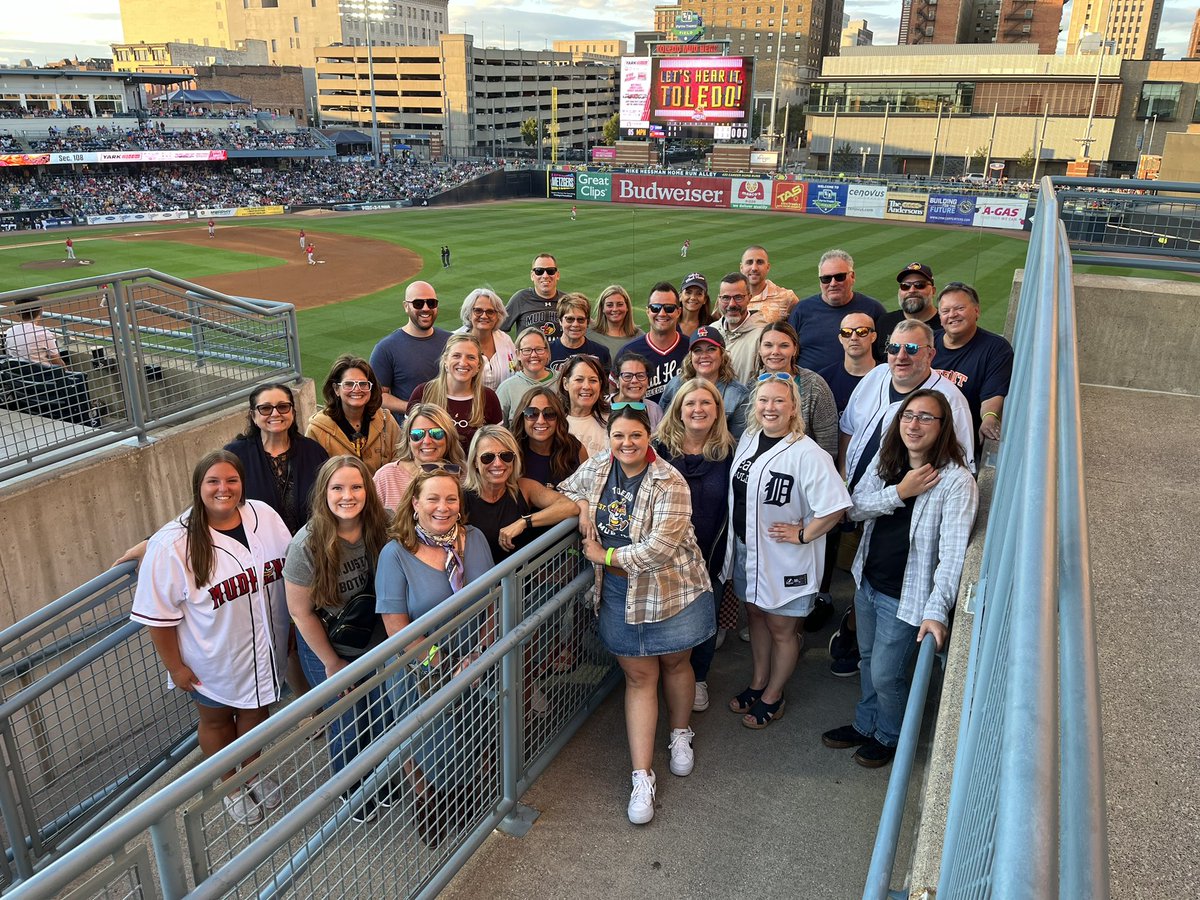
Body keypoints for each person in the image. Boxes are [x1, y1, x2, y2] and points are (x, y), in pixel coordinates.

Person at [559, 404, 714, 825]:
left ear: (649, 437)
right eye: (618, 436)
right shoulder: (599, 466)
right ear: (609, 438)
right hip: (618, 592)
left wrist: (605, 555)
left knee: (676, 663)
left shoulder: (670, 480)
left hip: (671, 590)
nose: (626, 443)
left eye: (635, 435)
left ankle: (680, 734)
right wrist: (583, 507)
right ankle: (642, 776)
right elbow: (567, 489)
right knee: (639, 677)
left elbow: (658, 550)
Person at [130, 450, 292, 825]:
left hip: (267, 645)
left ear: (242, 484)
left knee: (257, 712)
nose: (224, 489)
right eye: (213, 481)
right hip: (211, 658)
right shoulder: (172, 544)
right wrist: (175, 668)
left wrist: (290, 631)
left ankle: (251, 773)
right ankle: (230, 786)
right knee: (217, 720)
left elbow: (290, 573)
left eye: (232, 480)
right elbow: (159, 618)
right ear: (198, 487)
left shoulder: (263, 515)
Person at [821, 390, 978, 768]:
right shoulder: (888, 459)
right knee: (868, 660)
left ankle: (890, 735)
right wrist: (900, 492)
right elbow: (854, 508)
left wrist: (937, 610)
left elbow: (953, 555)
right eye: (909, 415)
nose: (914, 424)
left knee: (887, 675)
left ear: (943, 426)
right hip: (868, 583)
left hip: (906, 598)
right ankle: (865, 724)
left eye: (926, 417)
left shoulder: (956, 482)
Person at [723, 374, 852, 729]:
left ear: (794, 407)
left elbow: (836, 506)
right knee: (756, 616)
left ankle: (773, 695)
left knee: (782, 628)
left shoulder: (809, 453)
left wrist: (803, 534)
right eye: (764, 400)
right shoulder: (749, 438)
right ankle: (758, 681)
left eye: (779, 400)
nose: (770, 407)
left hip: (786, 558)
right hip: (749, 550)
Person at [376, 467, 495, 843]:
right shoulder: (395, 554)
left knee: (472, 729)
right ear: (415, 503)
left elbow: (494, 599)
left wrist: (478, 654)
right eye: (432, 499)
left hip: (473, 657)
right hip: (418, 665)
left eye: (450, 499)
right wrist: (441, 665)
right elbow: (396, 626)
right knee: (421, 736)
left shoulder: (475, 539)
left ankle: (467, 795)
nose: (442, 507)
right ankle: (426, 800)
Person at [284, 456, 391, 818]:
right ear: (324, 493)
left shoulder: (383, 525)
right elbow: (300, 612)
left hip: (373, 638)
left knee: (381, 710)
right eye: (338, 488)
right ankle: (351, 787)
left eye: (356, 487)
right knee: (347, 718)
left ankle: (379, 774)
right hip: (327, 644)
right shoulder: (306, 545)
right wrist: (332, 663)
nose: (348, 496)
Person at [653, 379, 735, 715]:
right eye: (690, 403)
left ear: (717, 411)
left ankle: (699, 676)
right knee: (663, 616)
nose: (697, 409)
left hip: (709, 554)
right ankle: (661, 676)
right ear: (678, 409)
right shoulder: (657, 449)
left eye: (705, 403)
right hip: (663, 554)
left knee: (703, 620)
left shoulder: (731, 452)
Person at [840, 320, 976, 492]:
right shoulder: (875, 375)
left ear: (930, 354)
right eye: (894, 348)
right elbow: (848, 430)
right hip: (850, 496)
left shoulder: (951, 400)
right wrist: (842, 480)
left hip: (904, 503)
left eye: (911, 349)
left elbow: (961, 467)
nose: (901, 356)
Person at [463, 425, 577, 563]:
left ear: (514, 459)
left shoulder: (524, 487)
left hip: (522, 575)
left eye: (506, 456)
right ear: (475, 461)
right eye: (487, 457)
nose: (498, 463)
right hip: (483, 575)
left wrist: (524, 522)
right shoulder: (461, 496)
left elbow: (570, 507)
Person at [932, 282, 1014, 453]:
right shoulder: (928, 342)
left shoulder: (996, 348)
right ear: (940, 317)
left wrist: (989, 417)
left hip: (960, 442)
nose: (952, 315)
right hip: (922, 431)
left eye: (960, 308)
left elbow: (992, 394)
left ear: (976, 311)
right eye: (945, 311)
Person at [788, 249, 886, 372]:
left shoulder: (873, 309)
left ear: (852, 277)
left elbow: (885, 355)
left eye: (839, 277)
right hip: (808, 383)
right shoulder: (801, 310)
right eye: (826, 278)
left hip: (860, 382)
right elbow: (788, 352)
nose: (833, 283)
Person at [754, 322, 840, 458]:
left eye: (784, 345)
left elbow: (828, 445)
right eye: (768, 345)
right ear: (760, 349)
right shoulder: (752, 386)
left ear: (795, 349)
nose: (775, 351)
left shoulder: (814, 385)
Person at [306, 356, 401, 477]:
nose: (356, 389)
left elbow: (401, 464)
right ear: (336, 389)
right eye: (349, 384)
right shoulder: (317, 430)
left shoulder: (387, 421)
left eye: (363, 384)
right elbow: (313, 477)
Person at [370, 281, 451, 421]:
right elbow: (378, 396)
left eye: (431, 303)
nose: (426, 308)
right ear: (406, 307)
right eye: (418, 304)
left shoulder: (452, 342)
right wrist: (414, 408)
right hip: (410, 430)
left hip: (451, 425)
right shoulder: (386, 348)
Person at [408, 334, 503, 452]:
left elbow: (497, 446)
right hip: (430, 464)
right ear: (445, 361)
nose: (463, 363)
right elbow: (408, 443)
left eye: (471, 357)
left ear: (479, 365)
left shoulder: (488, 397)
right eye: (456, 356)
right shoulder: (423, 392)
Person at [660, 326, 749, 439]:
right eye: (697, 350)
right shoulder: (675, 384)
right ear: (690, 356)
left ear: (722, 354)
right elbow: (663, 427)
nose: (704, 355)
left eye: (711, 349)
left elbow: (739, 441)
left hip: (719, 449)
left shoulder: (738, 395)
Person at [372, 403, 466, 510]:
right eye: (417, 434)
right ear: (408, 439)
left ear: (448, 437)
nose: (427, 441)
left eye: (436, 433)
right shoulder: (386, 477)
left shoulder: (463, 475)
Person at [618, 282, 689, 404]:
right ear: (647, 311)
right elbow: (615, 395)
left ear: (678, 312)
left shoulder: (691, 348)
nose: (662, 313)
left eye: (669, 308)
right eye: (655, 308)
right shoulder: (628, 351)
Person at [510, 386, 587, 488]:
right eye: (532, 413)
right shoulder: (510, 452)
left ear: (558, 417)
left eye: (549, 413)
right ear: (522, 418)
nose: (541, 421)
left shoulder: (575, 449)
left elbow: (587, 490)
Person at [874, 263, 942, 360]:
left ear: (933, 291)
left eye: (920, 285)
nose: (912, 290)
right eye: (905, 286)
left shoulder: (946, 324)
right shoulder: (884, 322)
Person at [818, 313, 878, 415]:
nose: (854, 337)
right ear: (840, 338)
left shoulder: (888, 377)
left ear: (873, 336)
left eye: (862, 331)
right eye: (846, 332)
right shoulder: (823, 380)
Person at [457, 288, 516, 392]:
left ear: (498, 316)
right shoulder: (455, 342)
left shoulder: (505, 340)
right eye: (478, 311)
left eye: (490, 312)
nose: (484, 316)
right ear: (469, 313)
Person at [711, 273, 765, 383]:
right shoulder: (712, 330)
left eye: (738, 297)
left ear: (749, 298)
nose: (732, 304)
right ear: (719, 299)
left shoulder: (763, 336)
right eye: (726, 298)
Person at [496, 327, 557, 423]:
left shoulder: (561, 382)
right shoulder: (507, 389)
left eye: (539, 349)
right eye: (527, 350)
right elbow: (497, 428)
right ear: (518, 354)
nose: (534, 355)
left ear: (547, 352)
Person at [556, 353, 610, 458]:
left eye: (593, 380)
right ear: (565, 383)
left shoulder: (613, 421)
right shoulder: (552, 421)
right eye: (579, 380)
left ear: (600, 385)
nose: (586, 386)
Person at [502, 253, 566, 340]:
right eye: (539, 271)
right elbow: (498, 329)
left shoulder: (567, 301)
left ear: (557, 275)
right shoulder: (521, 298)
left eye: (550, 271)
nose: (545, 276)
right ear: (532, 275)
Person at [549, 293, 611, 372]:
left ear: (587, 322)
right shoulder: (547, 351)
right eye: (570, 319)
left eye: (581, 319)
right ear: (560, 321)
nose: (575, 324)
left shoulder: (601, 352)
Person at [740, 245, 798, 324]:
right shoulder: (731, 297)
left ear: (767, 267)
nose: (754, 268)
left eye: (760, 262)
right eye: (749, 262)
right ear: (741, 268)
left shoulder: (786, 298)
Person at [609, 351, 663, 430]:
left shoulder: (654, 410)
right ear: (617, 381)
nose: (634, 380)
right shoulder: (601, 406)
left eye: (640, 376)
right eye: (627, 376)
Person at [590, 284, 645, 361]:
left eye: (620, 304)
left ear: (627, 307)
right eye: (609, 305)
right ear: (602, 308)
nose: (615, 309)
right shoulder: (589, 335)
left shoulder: (640, 336)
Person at [4, 303, 66, 367]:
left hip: (17, 371)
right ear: (41, 310)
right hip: (44, 372)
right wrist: (66, 371)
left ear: (17, 312)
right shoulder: (43, 333)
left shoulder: (10, 331)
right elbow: (56, 361)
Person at [678, 272, 715, 337]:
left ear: (705, 299)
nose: (693, 297)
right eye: (688, 292)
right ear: (680, 296)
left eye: (699, 294)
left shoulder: (712, 325)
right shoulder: (670, 321)